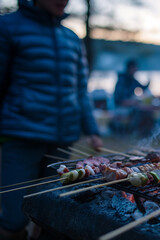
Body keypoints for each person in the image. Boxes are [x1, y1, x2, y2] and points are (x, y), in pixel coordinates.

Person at [0, 0, 102, 238]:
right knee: (14, 216)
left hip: (61, 142)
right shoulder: (8, 27)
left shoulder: (71, 38)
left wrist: (92, 129)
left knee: (51, 213)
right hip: (22, 137)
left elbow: (80, 91)